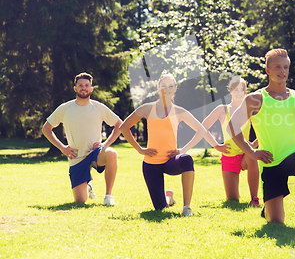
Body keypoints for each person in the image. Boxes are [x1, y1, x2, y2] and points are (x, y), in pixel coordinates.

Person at [227, 49, 295, 233]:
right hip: (271, 163)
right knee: (275, 222)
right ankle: (268, 207)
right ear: (267, 70)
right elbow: (232, 127)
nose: (282, 71)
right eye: (277, 67)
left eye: (285, 67)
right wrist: (251, 152)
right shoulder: (255, 99)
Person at [120, 74, 206, 216]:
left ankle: (187, 208)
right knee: (160, 208)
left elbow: (201, 130)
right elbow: (124, 127)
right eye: (163, 86)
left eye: (170, 86)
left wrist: (182, 150)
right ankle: (169, 198)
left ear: (175, 89)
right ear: (158, 88)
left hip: (170, 161)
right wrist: (140, 150)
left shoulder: (179, 111)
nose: (167, 89)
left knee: (187, 159)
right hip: (151, 163)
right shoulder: (147, 108)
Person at [42, 73, 122, 205]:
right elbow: (46, 129)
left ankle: (108, 196)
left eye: (86, 85)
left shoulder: (99, 107)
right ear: (75, 88)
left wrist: (105, 144)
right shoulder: (65, 108)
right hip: (76, 156)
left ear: (91, 89)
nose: (83, 88)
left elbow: (119, 125)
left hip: (95, 152)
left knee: (112, 153)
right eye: (80, 85)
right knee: (80, 201)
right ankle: (88, 186)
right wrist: (63, 148)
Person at [202, 76, 261, 207]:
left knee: (252, 155)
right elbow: (203, 127)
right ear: (230, 91)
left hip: (245, 154)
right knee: (232, 199)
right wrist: (217, 146)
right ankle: (236, 193)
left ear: (245, 91)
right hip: (229, 157)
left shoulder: (250, 110)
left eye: (242, 90)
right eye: (236, 89)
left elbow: (264, 129)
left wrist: (254, 144)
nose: (239, 92)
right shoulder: (222, 109)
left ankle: (254, 198)